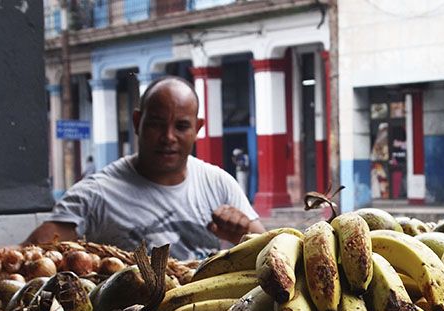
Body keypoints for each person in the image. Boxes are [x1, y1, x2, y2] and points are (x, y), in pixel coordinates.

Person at [23, 76, 265, 260]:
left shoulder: (218, 184)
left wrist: (240, 236)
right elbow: (33, 252)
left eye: (181, 126)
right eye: (157, 125)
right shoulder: (96, 194)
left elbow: (268, 251)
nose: (168, 137)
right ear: (138, 122)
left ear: (197, 129)